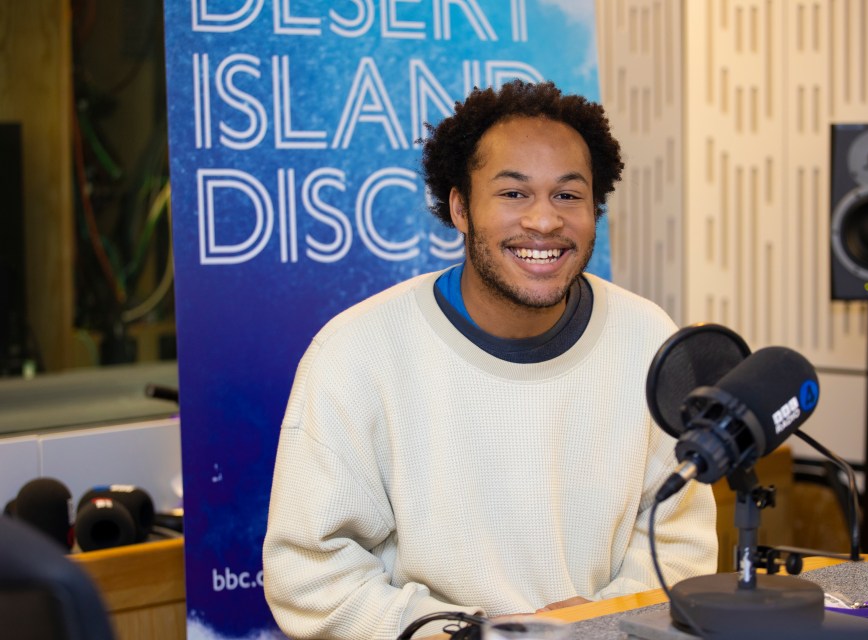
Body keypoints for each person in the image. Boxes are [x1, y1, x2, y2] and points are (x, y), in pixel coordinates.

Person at [262, 80, 717, 640]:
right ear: (460, 206)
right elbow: (308, 574)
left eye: (568, 195)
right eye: (514, 194)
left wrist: (599, 625)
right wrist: (475, 635)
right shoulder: (357, 351)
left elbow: (679, 543)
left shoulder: (648, 336)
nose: (545, 222)